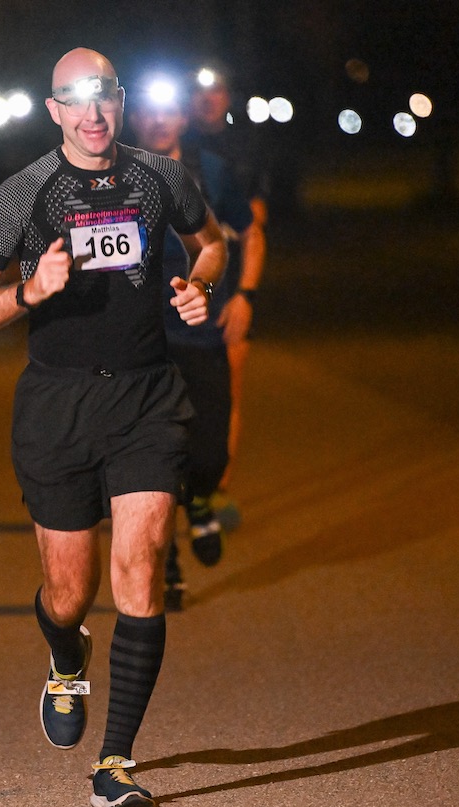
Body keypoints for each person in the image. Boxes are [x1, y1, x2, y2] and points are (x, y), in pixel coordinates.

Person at [0, 48, 227, 807]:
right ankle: (66, 658)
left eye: (103, 96)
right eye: (76, 100)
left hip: (145, 400)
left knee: (139, 572)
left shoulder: (160, 176)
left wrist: (199, 287)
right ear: (55, 112)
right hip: (58, 407)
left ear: (121, 100)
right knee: (68, 595)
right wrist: (28, 291)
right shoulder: (24, 193)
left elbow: (214, 241)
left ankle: (116, 762)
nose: (93, 113)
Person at [128, 82, 259, 612]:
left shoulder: (212, 172)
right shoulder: (112, 177)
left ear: (183, 119)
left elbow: (249, 231)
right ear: (133, 117)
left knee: (209, 453)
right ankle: (168, 568)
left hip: (200, 333)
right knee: (154, 465)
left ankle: (202, 499)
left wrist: (246, 295)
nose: (160, 121)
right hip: (140, 343)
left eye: (170, 112)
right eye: (150, 112)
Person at [183, 66, 269, 531]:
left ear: (228, 95)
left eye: (214, 89)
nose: (206, 99)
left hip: (228, 288)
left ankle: (216, 489)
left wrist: (246, 294)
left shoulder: (246, 149)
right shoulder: (170, 143)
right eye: (196, 92)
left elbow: (255, 229)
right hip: (178, 288)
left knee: (225, 395)